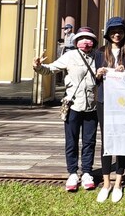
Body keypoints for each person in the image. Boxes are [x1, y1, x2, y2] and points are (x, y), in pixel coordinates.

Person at [33, 26, 102, 192]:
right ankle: (72, 172)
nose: (86, 42)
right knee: (71, 140)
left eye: (89, 38)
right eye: (82, 38)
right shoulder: (70, 56)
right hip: (73, 105)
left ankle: (87, 172)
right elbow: (50, 69)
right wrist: (38, 66)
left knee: (89, 141)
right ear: (77, 41)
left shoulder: (98, 57)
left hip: (92, 106)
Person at [94, 17, 125, 203]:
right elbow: (94, 78)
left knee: (122, 139)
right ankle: (106, 183)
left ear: (124, 33)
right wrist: (99, 73)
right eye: (113, 31)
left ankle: (119, 182)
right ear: (107, 34)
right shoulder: (101, 52)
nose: (116, 34)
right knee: (107, 141)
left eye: (119, 31)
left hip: (124, 103)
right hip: (104, 100)